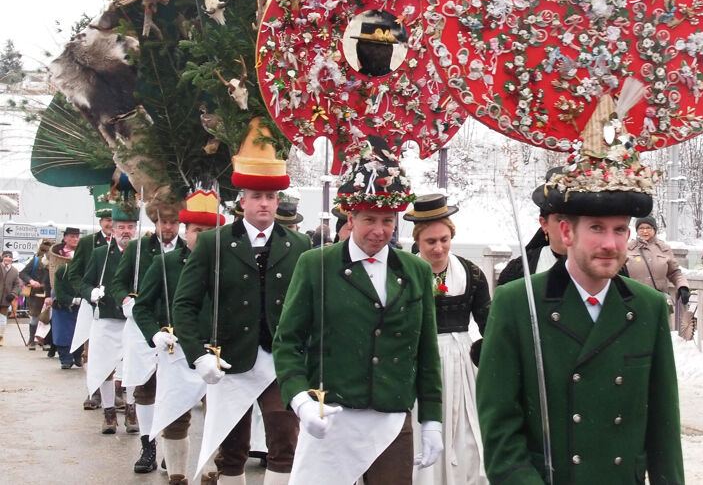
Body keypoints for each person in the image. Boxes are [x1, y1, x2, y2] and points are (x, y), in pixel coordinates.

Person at [477, 107, 684, 485]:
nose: (610, 243)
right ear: (566, 232)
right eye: (596, 228)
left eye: (620, 230)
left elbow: (664, 431)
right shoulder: (516, 304)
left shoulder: (648, 307)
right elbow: (500, 432)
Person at [273, 160, 443, 485]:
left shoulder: (415, 270)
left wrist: (432, 420)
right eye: (369, 220)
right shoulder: (316, 265)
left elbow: (425, 350)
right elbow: (288, 341)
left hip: (391, 417)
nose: (379, 231)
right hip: (331, 414)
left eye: (387, 221)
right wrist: (299, 400)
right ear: (350, 218)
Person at [173, 120, 309, 485]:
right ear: (242, 201)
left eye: (270, 197)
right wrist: (197, 353)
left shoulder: (299, 246)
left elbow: (310, 306)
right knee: (232, 448)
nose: (264, 204)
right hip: (230, 356)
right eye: (256, 197)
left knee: (285, 440)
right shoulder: (212, 243)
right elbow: (184, 304)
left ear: (278, 201)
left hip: (280, 359)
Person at [134, 189, 224, 485]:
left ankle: (210, 474)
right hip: (177, 351)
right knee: (175, 418)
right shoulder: (168, 263)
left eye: (211, 231)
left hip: (218, 353)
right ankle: (177, 477)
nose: (203, 236)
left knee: (218, 416)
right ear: (186, 232)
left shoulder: (230, 265)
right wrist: (154, 334)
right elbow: (143, 306)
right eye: (198, 230)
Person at [407, 194, 490, 485]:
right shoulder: (402, 272)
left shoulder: (472, 273)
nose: (439, 248)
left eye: (444, 239)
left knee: (467, 438)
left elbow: (487, 325)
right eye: (431, 242)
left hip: (461, 362)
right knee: (423, 435)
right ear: (418, 242)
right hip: (419, 362)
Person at [110, 198, 182, 473]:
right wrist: (125, 300)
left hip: (174, 327)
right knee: (144, 387)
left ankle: (171, 446)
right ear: (155, 222)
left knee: (175, 388)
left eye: (173, 222)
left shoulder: (187, 250)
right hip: (142, 325)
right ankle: (148, 446)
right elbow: (118, 282)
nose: (168, 227)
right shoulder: (139, 249)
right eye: (164, 221)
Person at [83, 198, 139, 434]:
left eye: (130, 227)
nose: (125, 232)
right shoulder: (99, 254)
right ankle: (108, 414)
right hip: (106, 317)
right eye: (121, 227)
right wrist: (91, 293)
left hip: (133, 320)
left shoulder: (141, 253)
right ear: (113, 229)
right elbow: (84, 282)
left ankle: (131, 410)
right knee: (104, 367)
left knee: (135, 366)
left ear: (135, 229)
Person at [68, 186, 118, 410]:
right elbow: (74, 273)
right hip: (94, 305)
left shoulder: (130, 243)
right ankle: (94, 391)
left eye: (112, 219)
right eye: (105, 219)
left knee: (121, 353)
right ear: (100, 221)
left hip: (119, 306)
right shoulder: (89, 243)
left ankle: (118, 393)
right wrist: (88, 294)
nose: (109, 223)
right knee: (93, 350)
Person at [496, 168, 569, 285]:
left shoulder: (603, 268)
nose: (568, 228)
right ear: (544, 224)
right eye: (560, 220)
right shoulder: (518, 272)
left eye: (576, 220)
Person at [624, 215, 690, 312]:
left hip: (658, 301)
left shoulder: (664, 249)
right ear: (637, 230)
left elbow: (675, 272)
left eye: (648, 228)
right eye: (641, 228)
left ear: (654, 229)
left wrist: (683, 287)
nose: (645, 231)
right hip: (634, 302)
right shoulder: (628, 249)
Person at [48, 237, 83, 369]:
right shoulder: (62, 271)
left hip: (80, 308)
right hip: (63, 307)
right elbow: (59, 291)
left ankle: (78, 355)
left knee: (79, 333)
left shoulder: (84, 272)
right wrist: (72, 300)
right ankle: (65, 359)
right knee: (63, 334)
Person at [18, 239, 52, 349]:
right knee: (35, 317)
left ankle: (44, 341)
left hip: (49, 293)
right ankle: (32, 340)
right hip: (36, 294)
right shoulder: (36, 261)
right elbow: (23, 273)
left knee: (47, 318)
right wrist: (31, 281)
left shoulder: (55, 263)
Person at [1, 250, 22, 346]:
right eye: (6, 257)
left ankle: (0, 336)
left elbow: (17, 284)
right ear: (3, 258)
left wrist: (13, 294)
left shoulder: (14, 271)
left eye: (10, 257)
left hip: (6, 299)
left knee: (2, 319)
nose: (8, 259)